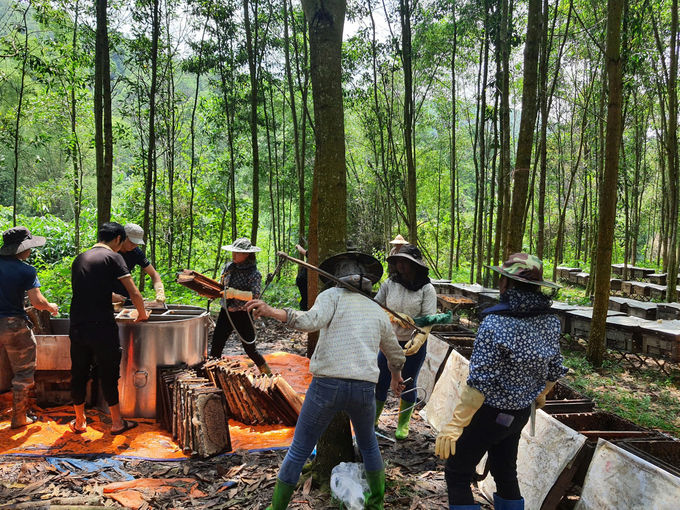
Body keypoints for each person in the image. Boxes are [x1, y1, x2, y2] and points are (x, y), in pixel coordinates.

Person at [246, 250, 406, 510]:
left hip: (326, 387)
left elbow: (309, 321)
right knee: (368, 446)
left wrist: (272, 311)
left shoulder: (330, 296)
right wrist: (397, 378)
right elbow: (395, 354)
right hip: (364, 390)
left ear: (336, 279)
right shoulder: (377, 311)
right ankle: (376, 504)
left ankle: (276, 508)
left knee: (299, 450)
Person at [435, 253, 567, 510]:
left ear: (506, 284)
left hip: (488, 414)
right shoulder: (550, 321)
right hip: (519, 413)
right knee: (505, 471)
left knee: (458, 471)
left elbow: (480, 382)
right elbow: (555, 369)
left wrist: (456, 423)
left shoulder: (495, 322)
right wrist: (541, 393)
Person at [69, 222, 148, 435]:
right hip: (101, 326)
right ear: (118, 240)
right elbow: (134, 292)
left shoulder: (80, 258)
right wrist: (142, 313)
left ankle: (79, 422)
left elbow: (87, 290)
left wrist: (111, 297)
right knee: (108, 373)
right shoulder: (114, 257)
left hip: (77, 325)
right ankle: (116, 423)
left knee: (79, 372)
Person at [374, 243, 437, 439]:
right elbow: (376, 304)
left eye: (406, 262)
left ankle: (403, 424)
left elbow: (429, 318)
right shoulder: (389, 284)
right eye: (398, 262)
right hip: (389, 340)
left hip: (413, 343)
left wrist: (419, 337)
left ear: (416, 265)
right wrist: (392, 315)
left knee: (408, 382)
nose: (401, 266)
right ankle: (373, 420)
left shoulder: (427, 289)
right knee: (381, 379)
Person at [0, 227, 59, 429]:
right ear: (21, 249)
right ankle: (18, 418)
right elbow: (37, 302)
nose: (31, 251)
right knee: (23, 373)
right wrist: (50, 307)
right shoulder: (26, 270)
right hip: (13, 326)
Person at [210, 237, 271, 374]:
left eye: (238, 252)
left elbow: (254, 295)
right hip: (226, 312)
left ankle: (267, 373)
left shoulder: (254, 273)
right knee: (216, 346)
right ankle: (212, 375)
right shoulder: (228, 268)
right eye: (233, 252)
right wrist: (211, 292)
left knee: (250, 349)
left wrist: (235, 293)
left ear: (247, 254)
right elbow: (221, 287)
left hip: (243, 314)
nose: (234, 255)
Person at [111, 223, 165, 304]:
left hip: (125, 295)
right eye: (131, 242)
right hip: (105, 294)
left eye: (136, 243)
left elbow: (153, 273)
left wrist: (160, 291)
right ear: (122, 237)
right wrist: (110, 295)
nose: (134, 245)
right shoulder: (110, 251)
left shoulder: (136, 253)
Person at [294, 242, 308, 311]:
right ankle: (303, 310)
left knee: (305, 297)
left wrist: (298, 246)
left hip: (304, 278)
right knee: (305, 297)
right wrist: (298, 246)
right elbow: (302, 251)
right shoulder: (312, 253)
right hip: (303, 279)